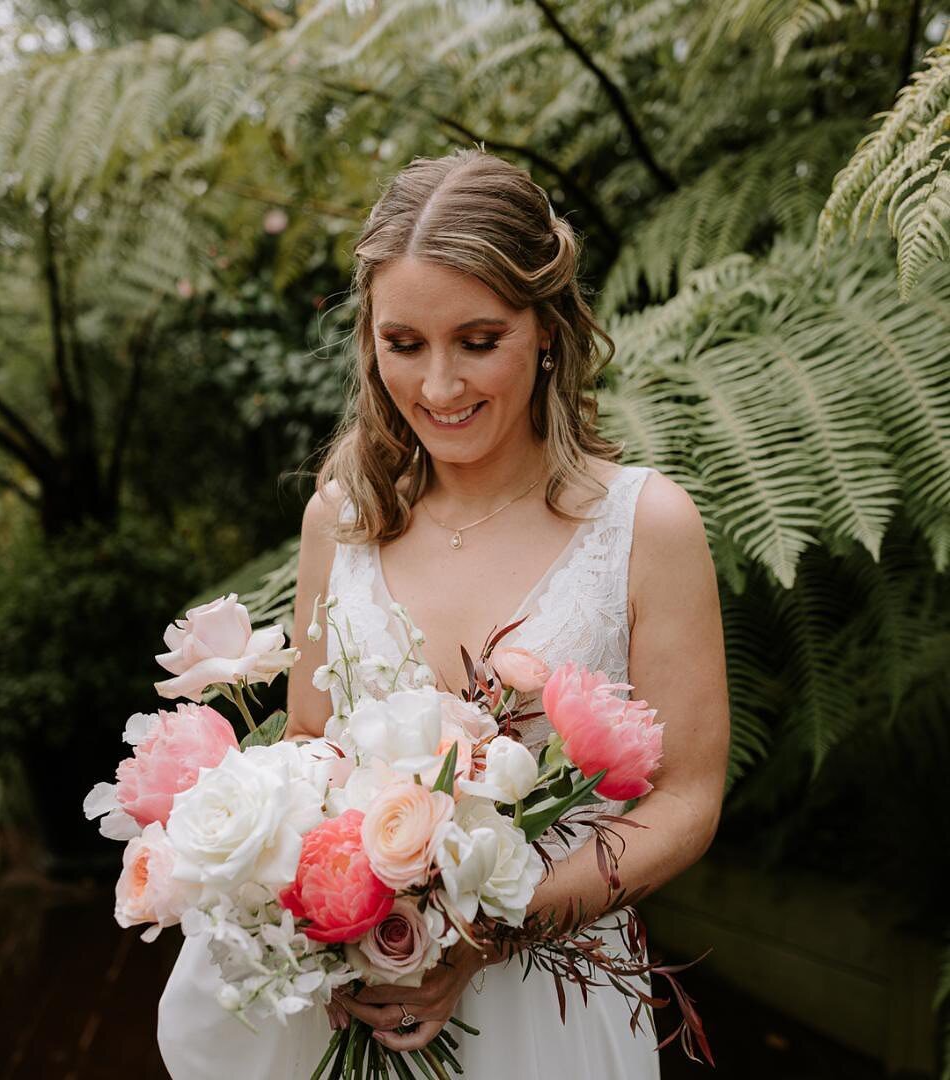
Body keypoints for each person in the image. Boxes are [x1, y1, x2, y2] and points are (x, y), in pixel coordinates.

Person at [157, 148, 730, 1078]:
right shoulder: (338, 519)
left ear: (545, 327)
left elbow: (689, 799)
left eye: (478, 340)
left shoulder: (644, 524)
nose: (438, 388)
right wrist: (327, 910)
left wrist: (486, 930)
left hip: (554, 996)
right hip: (355, 1001)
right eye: (404, 343)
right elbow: (310, 738)